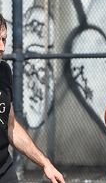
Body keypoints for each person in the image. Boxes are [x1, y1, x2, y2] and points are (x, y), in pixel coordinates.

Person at [0, 14, 65, 183]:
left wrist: (45, 164)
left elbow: (11, 126)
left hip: (4, 169)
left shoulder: (4, 72)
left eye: (3, 39)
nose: (1, 47)